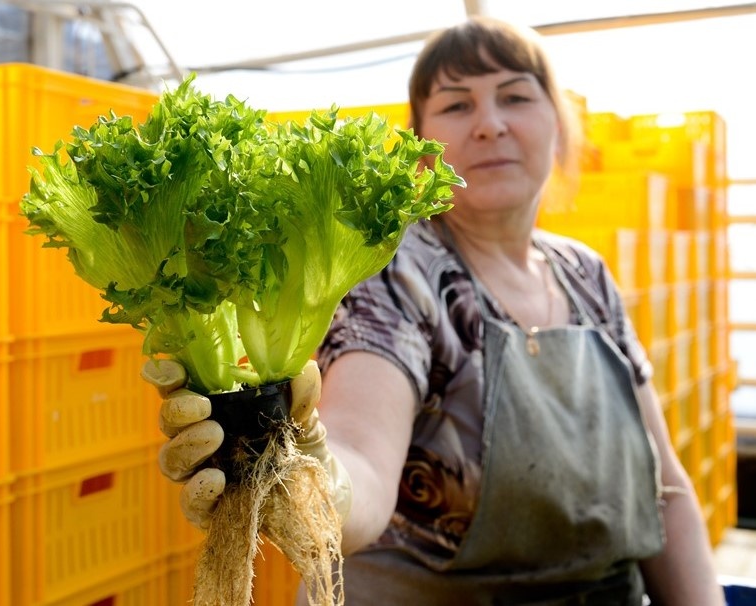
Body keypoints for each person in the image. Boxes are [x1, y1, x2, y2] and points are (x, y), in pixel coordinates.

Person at [142, 15, 726, 605]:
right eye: (456, 105)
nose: (490, 125)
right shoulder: (399, 267)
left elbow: (666, 488)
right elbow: (363, 461)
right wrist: (316, 482)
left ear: (560, 124)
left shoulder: (586, 273)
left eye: (516, 96)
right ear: (422, 143)